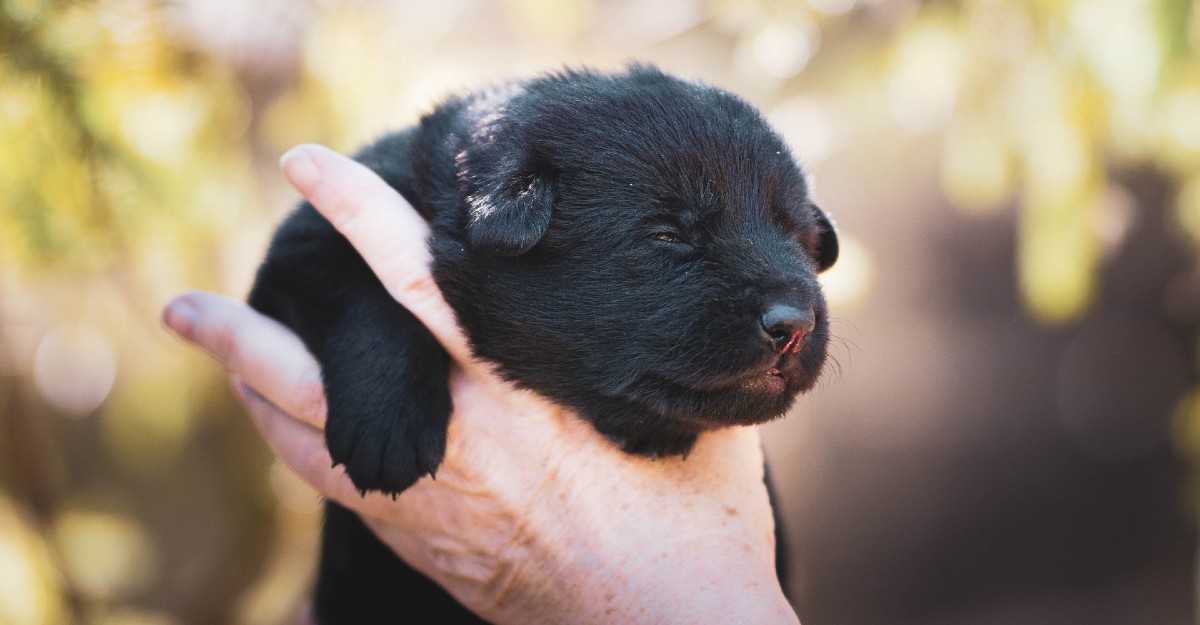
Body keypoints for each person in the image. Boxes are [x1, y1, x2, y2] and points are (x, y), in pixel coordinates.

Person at [162, 144, 801, 625]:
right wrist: (381, 341)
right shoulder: (432, 177)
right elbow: (302, 265)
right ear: (521, 207)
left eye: (791, 236)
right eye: (670, 237)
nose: (792, 303)